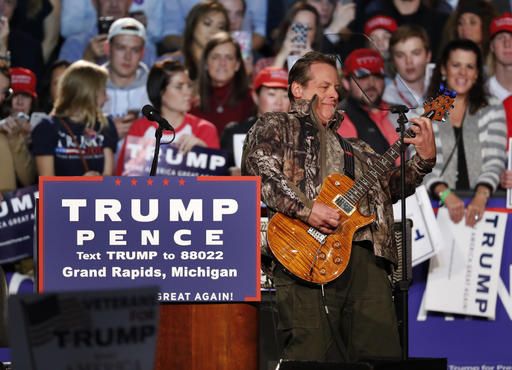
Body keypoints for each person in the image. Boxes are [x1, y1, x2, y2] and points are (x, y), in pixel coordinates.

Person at [242, 51, 436, 362]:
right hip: (303, 253)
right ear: (298, 90)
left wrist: (423, 161)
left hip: (366, 259)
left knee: (381, 356)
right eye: (324, 87)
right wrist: (307, 210)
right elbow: (260, 172)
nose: (334, 94)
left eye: (336, 88)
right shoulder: (276, 126)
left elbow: (388, 189)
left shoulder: (356, 147)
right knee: (311, 354)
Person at [424, 39, 507, 227]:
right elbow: (420, 165)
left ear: (477, 73)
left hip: (486, 207)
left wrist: (480, 196)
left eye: (469, 66)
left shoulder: (492, 108)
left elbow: (495, 161)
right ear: (444, 70)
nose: (463, 73)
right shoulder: (426, 112)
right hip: (436, 208)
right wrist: (445, 194)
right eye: (456, 65)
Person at [116, 60, 220, 175]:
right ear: (160, 91)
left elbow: (214, 187)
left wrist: (203, 152)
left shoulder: (205, 129)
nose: (188, 93)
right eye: (179, 87)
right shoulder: (140, 128)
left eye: (189, 86)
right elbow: (121, 177)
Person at [31, 60, 118, 176]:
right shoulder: (47, 128)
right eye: (103, 91)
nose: (107, 98)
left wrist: (98, 181)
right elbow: (47, 187)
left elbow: (109, 178)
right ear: (88, 94)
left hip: (99, 194)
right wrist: (79, 185)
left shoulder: (105, 125)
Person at [221, 66, 289, 174]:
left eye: (286, 96)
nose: (279, 102)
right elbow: (216, 176)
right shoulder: (235, 133)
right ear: (255, 97)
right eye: (272, 94)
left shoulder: (300, 136)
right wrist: (228, 174)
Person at [191, 31, 254, 136]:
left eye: (228, 58)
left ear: (237, 65)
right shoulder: (191, 101)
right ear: (206, 63)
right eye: (216, 57)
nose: (222, 63)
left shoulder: (251, 99)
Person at [338, 48, 398, 155]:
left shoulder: (398, 112)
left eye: (377, 75)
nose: (371, 83)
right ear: (346, 83)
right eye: (362, 76)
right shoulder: (339, 118)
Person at [101, 17, 151, 141]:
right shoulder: (88, 86)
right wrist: (106, 133)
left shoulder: (156, 89)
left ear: (143, 53)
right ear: (107, 49)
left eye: (135, 50)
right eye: (121, 48)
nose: (127, 57)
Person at [0, 66, 35, 193]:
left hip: (11, 209)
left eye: (3, 92)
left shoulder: (38, 131)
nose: (20, 102)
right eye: (14, 96)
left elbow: (29, 180)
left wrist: (15, 139)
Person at [383, 25, 432, 112]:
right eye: (400, 55)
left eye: (416, 53)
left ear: (428, 56)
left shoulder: (445, 82)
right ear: (393, 60)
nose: (409, 61)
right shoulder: (388, 98)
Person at [487, 13, 512, 102]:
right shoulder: (478, 92)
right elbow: (441, 113)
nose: (507, 43)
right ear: (492, 46)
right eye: (501, 37)